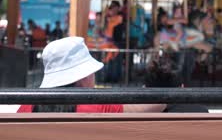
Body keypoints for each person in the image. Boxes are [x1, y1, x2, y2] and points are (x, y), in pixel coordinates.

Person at [17, 37, 166, 113]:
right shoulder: (96, 107)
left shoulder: (25, 108)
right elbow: (144, 109)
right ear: (83, 77)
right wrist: (174, 93)